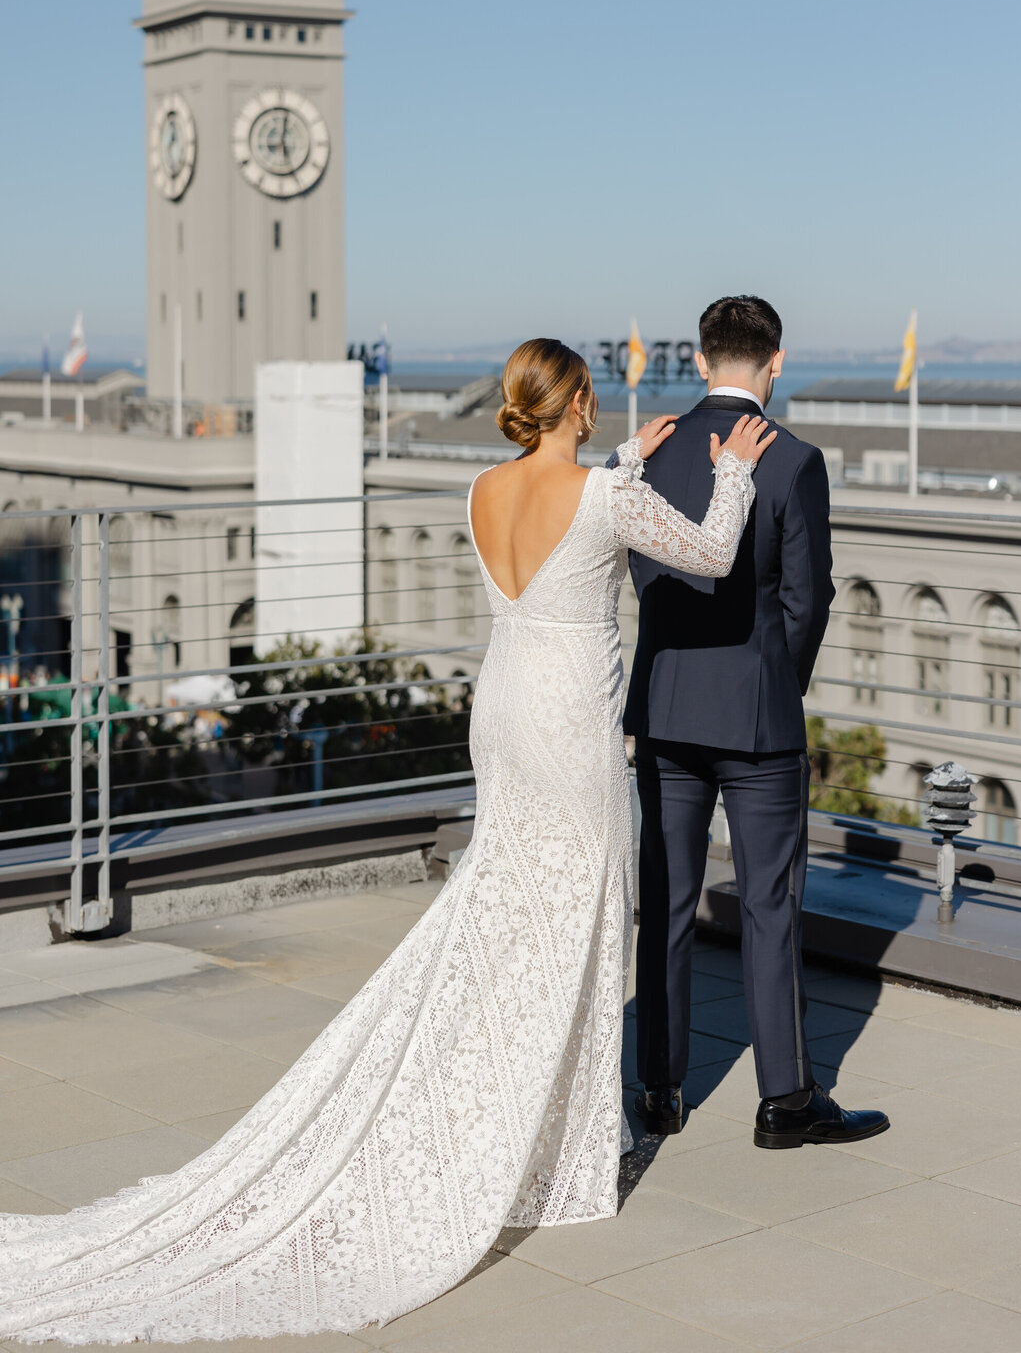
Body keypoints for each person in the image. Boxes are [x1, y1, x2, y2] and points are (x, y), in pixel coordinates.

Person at [0, 338, 772, 1343]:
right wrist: (735, 474)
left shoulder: (483, 491)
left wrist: (626, 461)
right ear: (579, 402)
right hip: (571, 722)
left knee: (507, 914)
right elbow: (708, 552)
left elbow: (565, 522)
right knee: (576, 924)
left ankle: (531, 1125)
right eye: (591, 403)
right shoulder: (605, 497)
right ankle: (558, 1158)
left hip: (499, 714)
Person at [622, 295, 889, 1150]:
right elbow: (808, 597)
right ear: (777, 361)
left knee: (664, 903)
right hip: (758, 717)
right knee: (770, 905)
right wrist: (781, 681)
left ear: (700, 362)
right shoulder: (794, 459)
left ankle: (657, 1090)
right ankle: (785, 1101)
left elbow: (643, 578)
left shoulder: (650, 454)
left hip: (664, 708)